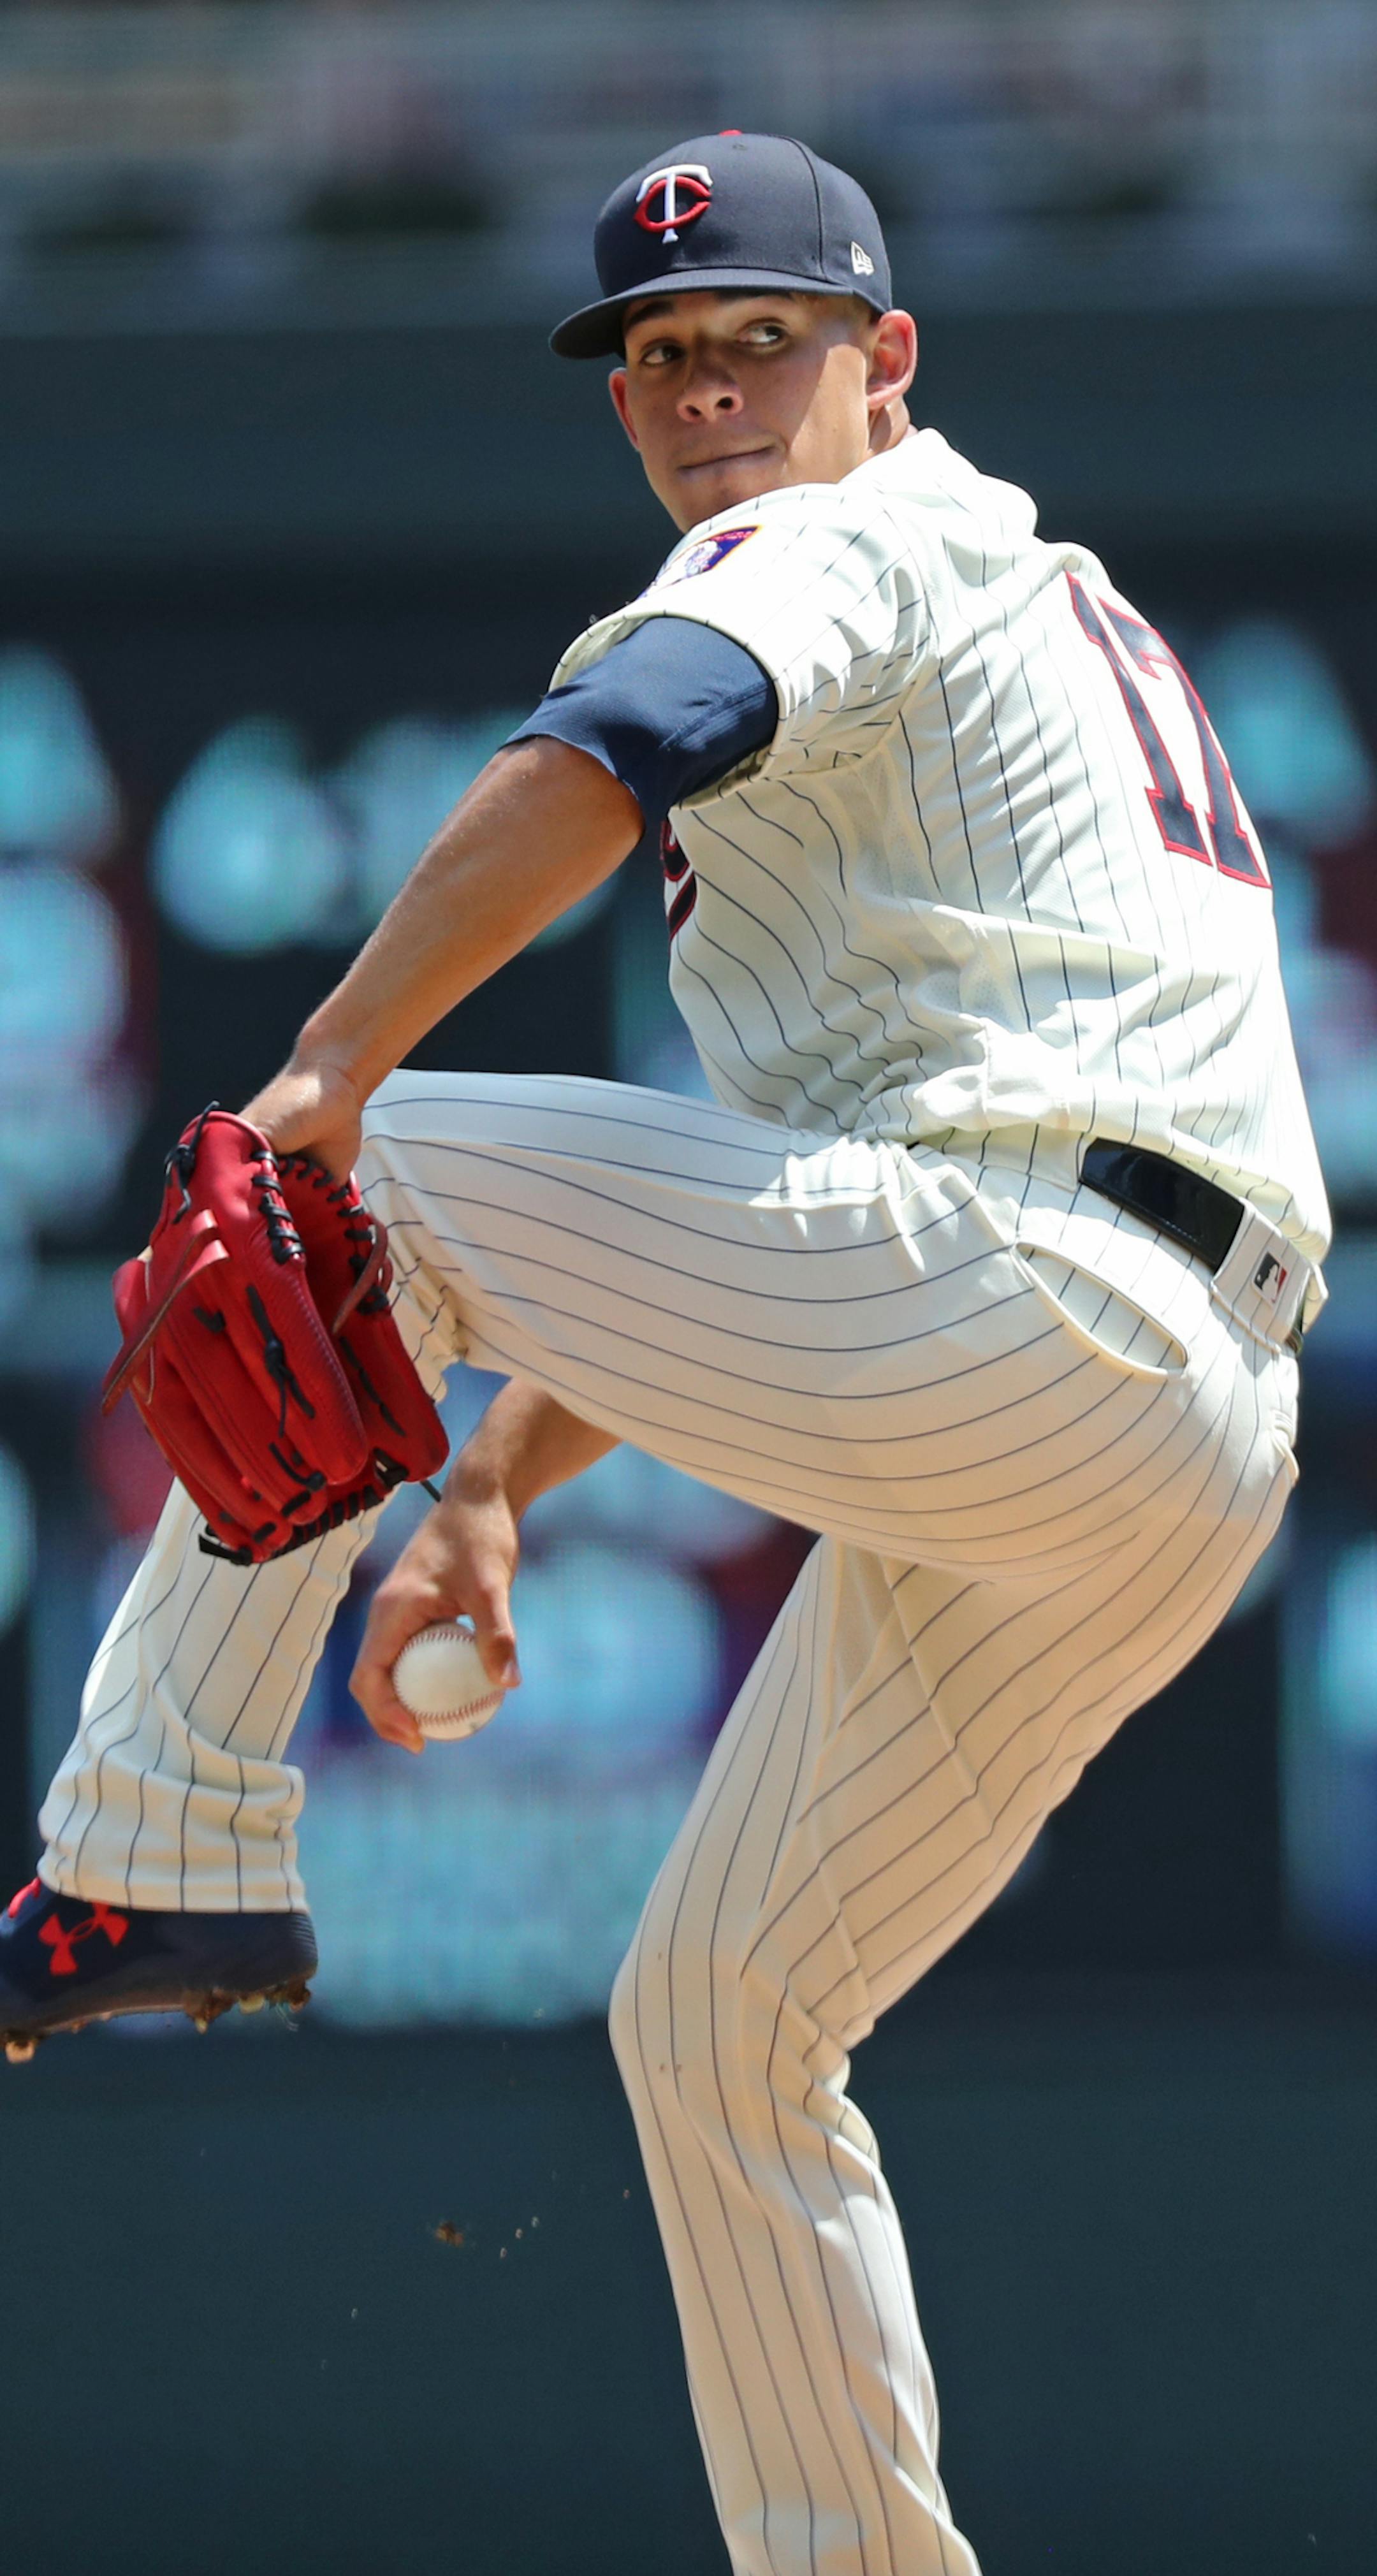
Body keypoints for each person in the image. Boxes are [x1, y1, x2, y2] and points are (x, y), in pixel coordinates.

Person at [0, 131, 1328, 2576]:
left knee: (349, 1185)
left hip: (1039, 1290)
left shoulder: (854, 538)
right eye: (658, 352)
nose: (707, 386)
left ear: (886, 360)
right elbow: (777, 1226)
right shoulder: (997, 595)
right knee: (720, 2022)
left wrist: (320, 1080)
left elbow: (607, 758)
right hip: (1157, 1416)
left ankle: (156, 1845)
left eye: (761, 336)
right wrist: (496, 1486)